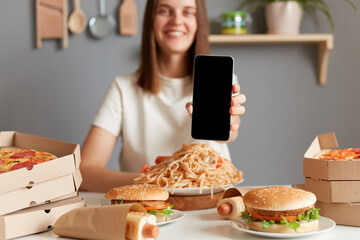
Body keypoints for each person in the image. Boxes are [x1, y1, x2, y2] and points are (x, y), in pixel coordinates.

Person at [79, 0, 246, 192]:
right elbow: (84, 172)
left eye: (188, 12)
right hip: (148, 211)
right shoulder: (123, 89)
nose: (176, 21)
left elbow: (230, 133)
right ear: (151, 19)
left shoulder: (220, 80)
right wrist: (157, 179)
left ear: (199, 22)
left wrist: (230, 126)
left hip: (211, 206)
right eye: (165, 11)